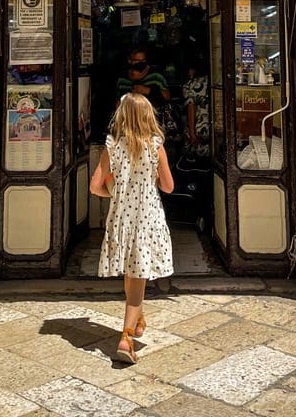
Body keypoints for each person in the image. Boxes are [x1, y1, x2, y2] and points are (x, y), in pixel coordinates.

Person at [90, 92, 174, 364]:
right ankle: (126, 338)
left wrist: (116, 192)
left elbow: (95, 187)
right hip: (147, 219)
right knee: (138, 280)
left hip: (121, 219)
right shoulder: (155, 146)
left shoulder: (112, 146)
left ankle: (138, 319)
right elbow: (168, 186)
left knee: (132, 273)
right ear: (148, 116)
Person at [182, 58, 210, 157]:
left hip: (198, 127)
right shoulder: (212, 82)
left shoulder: (189, 85)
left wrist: (192, 132)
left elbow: (190, 108)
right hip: (212, 127)